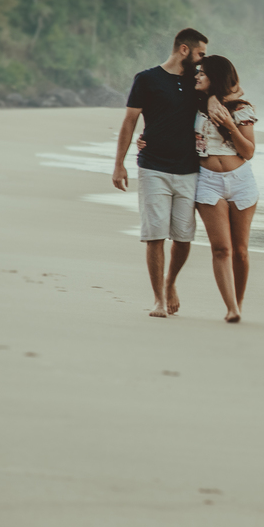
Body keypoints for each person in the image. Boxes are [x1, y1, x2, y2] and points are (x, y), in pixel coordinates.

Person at [112, 27, 214, 318]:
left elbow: (224, 95)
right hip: (153, 166)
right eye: (200, 54)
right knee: (154, 235)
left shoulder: (198, 83)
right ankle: (158, 299)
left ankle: (171, 283)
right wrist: (119, 163)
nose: (201, 60)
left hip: (189, 169)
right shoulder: (146, 79)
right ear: (184, 49)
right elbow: (130, 120)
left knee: (183, 238)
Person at [190, 55, 259, 323]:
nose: (197, 76)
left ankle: (238, 304)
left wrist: (229, 126)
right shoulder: (194, 105)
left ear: (215, 77)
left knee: (240, 250)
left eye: (202, 73)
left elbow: (249, 151)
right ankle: (230, 307)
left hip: (241, 181)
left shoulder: (241, 109)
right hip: (207, 181)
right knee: (221, 249)